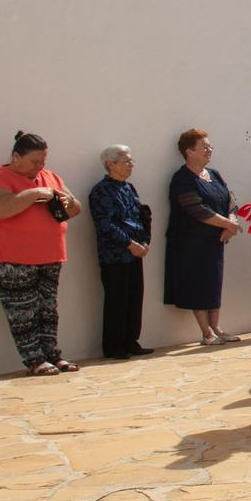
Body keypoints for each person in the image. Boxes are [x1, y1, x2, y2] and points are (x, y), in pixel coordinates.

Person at [0, 130, 80, 376]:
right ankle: (34, 360)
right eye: (35, 161)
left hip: (51, 256)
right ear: (16, 157)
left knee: (48, 310)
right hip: (13, 259)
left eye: (43, 160)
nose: (40, 166)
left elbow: (75, 208)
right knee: (22, 312)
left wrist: (68, 202)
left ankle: (52, 355)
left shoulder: (50, 176)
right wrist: (34, 193)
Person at [164, 129, 241, 343]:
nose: (209, 150)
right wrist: (228, 224)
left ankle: (216, 327)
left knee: (214, 283)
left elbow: (231, 202)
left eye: (210, 146)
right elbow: (197, 209)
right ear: (189, 152)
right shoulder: (182, 178)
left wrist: (231, 224)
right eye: (204, 147)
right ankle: (206, 333)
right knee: (198, 284)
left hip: (216, 240)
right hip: (191, 243)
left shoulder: (215, 175)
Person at [87, 145, 153, 360]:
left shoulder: (129, 188)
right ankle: (114, 345)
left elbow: (140, 215)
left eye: (131, 161)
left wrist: (144, 241)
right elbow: (105, 224)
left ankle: (130, 340)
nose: (131, 165)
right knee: (117, 299)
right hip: (115, 254)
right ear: (111, 164)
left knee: (135, 297)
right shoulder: (100, 191)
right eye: (126, 161)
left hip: (134, 252)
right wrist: (129, 243)